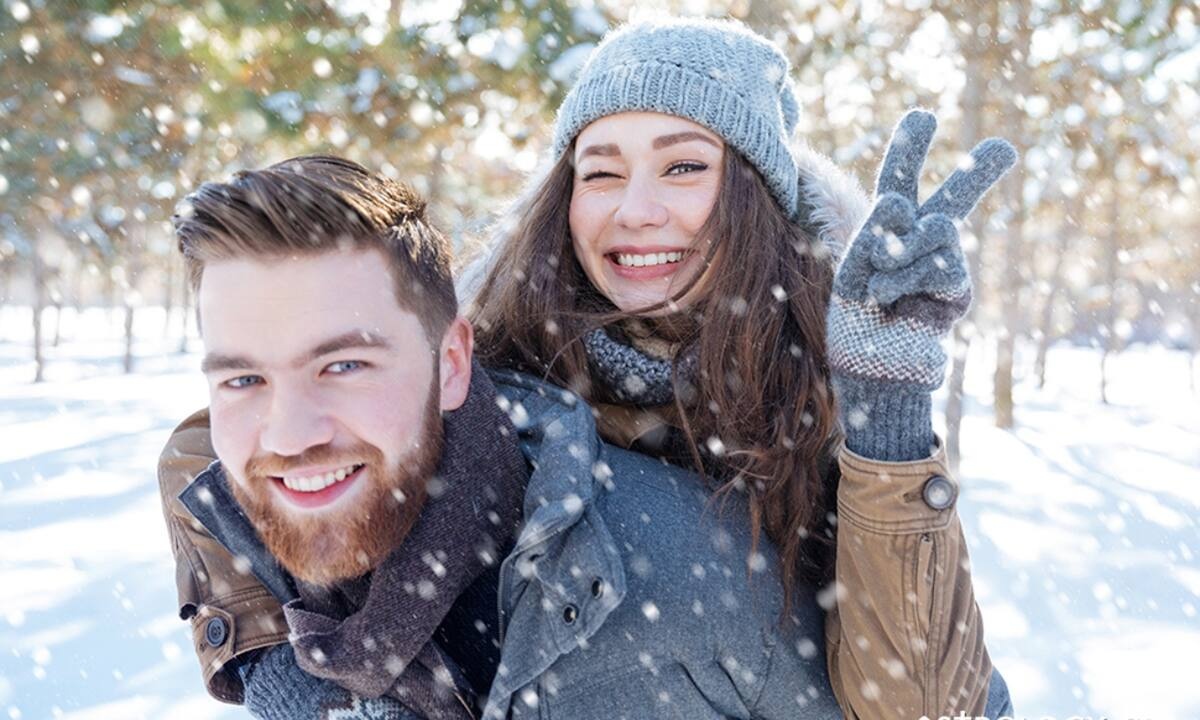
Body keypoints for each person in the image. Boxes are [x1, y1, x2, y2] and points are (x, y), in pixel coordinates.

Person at [160, 17, 1016, 720]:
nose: (636, 210)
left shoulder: (829, 388)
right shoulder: (493, 343)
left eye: (684, 167)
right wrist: (283, 670)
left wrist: (888, 411)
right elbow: (216, 451)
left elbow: (924, 704)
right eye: (599, 171)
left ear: (757, 194)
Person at [164, 154, 867, 720]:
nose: (288, 435)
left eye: (343, 365)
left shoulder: (696, 573)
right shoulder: (245, 535)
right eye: (243, 379)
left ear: (452, 363)